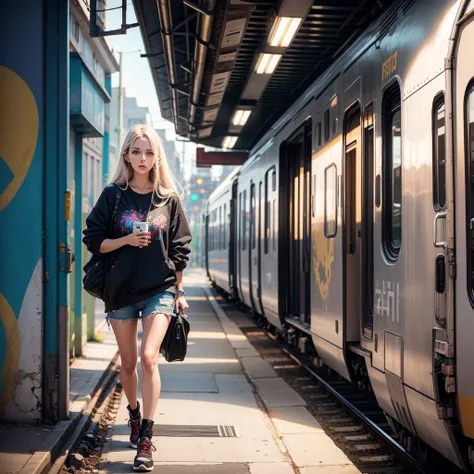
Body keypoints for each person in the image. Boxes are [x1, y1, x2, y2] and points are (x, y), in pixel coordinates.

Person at [83, 124, 192, 471]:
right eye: (136, 151)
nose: (142, 158)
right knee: (127, 364)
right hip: (120, 292)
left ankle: (146, 436)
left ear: (156, 155)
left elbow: (180, 248)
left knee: (148, 358)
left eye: (148, 152)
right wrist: (125, 241)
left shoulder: (168, 199)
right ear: (126, 155)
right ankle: (132, 414)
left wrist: (179, 291)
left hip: (158, 290)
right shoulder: (113, 196)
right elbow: (94, 240)